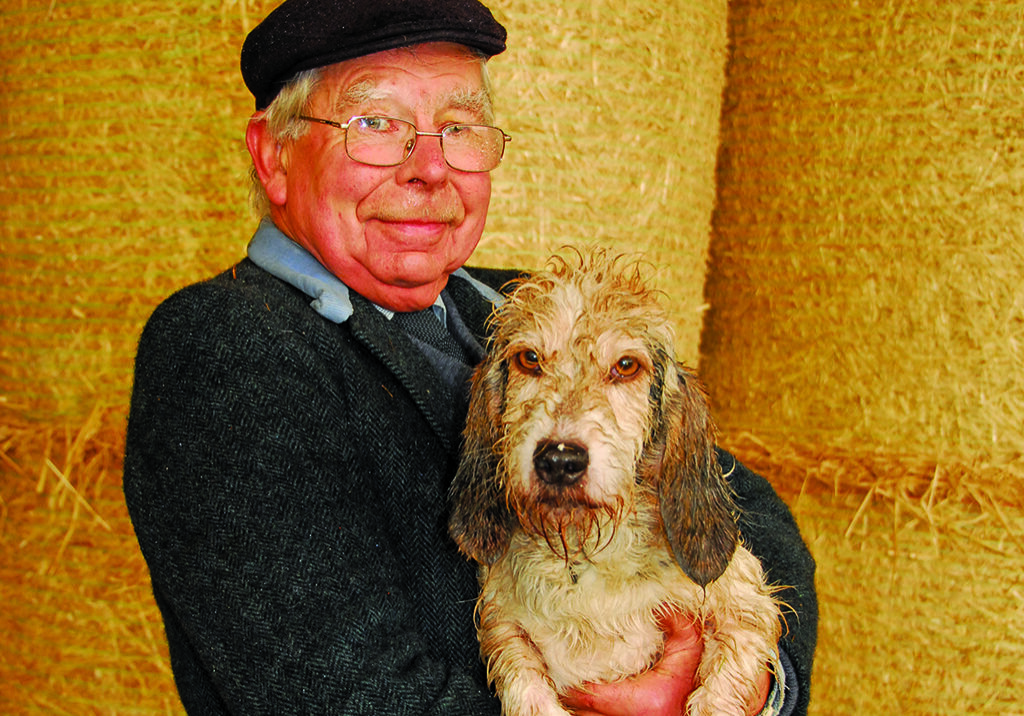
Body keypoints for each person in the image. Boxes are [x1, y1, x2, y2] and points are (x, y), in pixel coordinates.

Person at [122, 0, 817, 714]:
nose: (430, 167)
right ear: (274, 155)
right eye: (376, 125)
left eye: (458, 128)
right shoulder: (228, 347)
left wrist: (756, 682)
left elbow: (744, 511)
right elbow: (346, 696)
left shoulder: (520, 310)